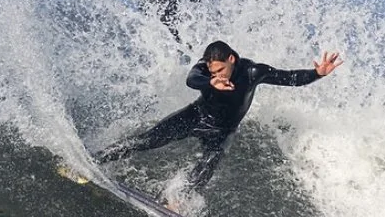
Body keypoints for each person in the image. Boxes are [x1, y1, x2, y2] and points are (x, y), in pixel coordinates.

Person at [94, 40, 343, 195]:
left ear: (231, 60)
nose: (218, 74)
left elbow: (288, 78)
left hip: (223, 130)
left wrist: (317, 73)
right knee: (146, 141)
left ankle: (177, 203)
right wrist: (212, 82)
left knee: (205, 170)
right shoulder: (205, 69)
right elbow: (192, 79)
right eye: (213, 70)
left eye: (221, 69)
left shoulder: (252, 71)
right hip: (196, 116)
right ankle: (96, 161)